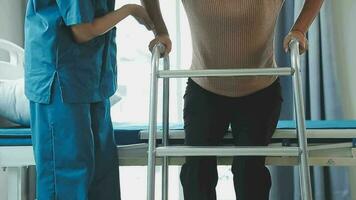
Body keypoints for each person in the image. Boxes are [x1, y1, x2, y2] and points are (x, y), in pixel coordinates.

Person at [142, 0, 324, 199]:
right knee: (196, 174)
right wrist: (160, 30)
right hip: (204, 90)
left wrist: (299, 29)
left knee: (249, 174)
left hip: (259, 92)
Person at [24, 1, 153, 199]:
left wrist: (161, 30)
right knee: (68, 181)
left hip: (92, 81)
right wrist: (130, 10)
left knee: (102, 181)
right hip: (61, 84)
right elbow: (82, 31)